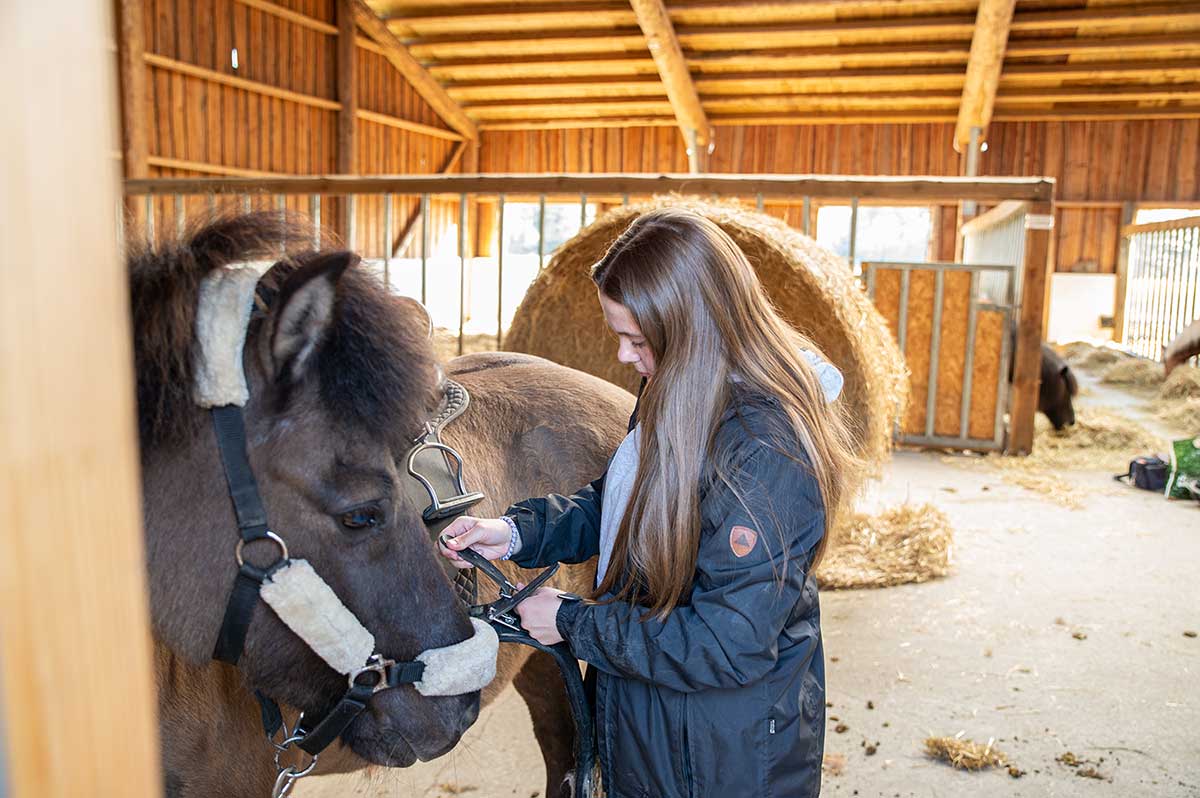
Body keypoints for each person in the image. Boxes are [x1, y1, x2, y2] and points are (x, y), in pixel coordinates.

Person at [438, 207, 859, 798]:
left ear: (694, 330)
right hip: (656, 725)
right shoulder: (676, 389)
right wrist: (512, 534)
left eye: (636, 339)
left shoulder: (767, 452)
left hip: (718, 757)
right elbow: (619, 506)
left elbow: (726, 643)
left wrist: (571, 622)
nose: (622, 356)